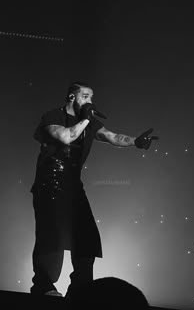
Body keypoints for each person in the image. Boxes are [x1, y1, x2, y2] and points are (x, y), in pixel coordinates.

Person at [30, 82, 159, 297]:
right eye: (86, 96)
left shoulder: (88, 121)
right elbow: (65, 137)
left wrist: (136, 141)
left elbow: (113, 137)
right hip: (49, 182)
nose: (90, 101)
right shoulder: (53, 116)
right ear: (71, 97)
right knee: (50, 234)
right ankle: (43, 286)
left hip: (73, 184)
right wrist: (87, 118)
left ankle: (80, 287)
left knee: (86, 235)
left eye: (92, 97)